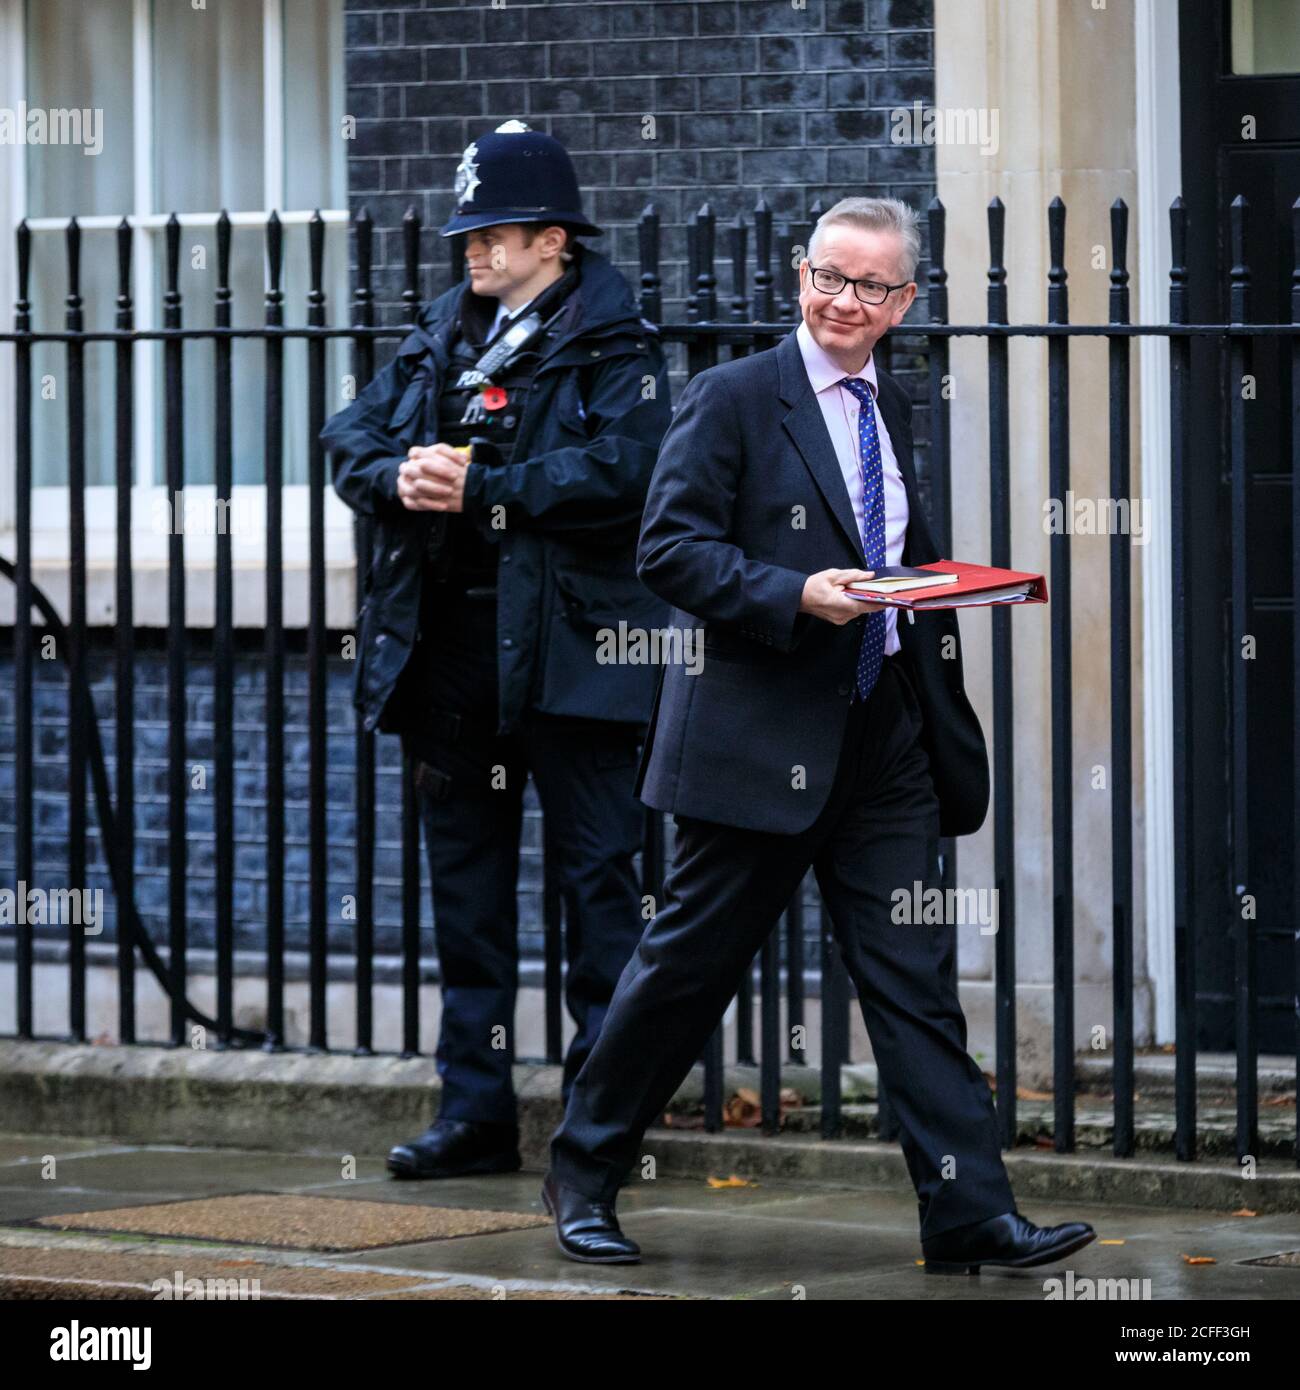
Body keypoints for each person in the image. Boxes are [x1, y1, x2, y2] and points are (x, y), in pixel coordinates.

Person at [541, 196, 1097, 1276]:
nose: (846, 302)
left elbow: (887, 551)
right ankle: (584, 1169)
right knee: (683, 975)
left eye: (873, 287)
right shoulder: (735, 397)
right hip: (756, 741)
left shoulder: (892, 405)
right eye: (829, 278)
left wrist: (938, 589)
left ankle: (968, 1212)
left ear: (905, 302)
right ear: (800, 277)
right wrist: (795, 591)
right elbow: (668, 550)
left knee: (912, 981)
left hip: (878, 732)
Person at [320, 121, 671, 1180]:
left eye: (496, 233)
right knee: (467, 900)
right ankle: (474, 1115)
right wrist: (400, 480)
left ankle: (596, 1134)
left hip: (577, 653)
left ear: (555, 238)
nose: (474, 251)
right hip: (454, 651)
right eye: (467, 233)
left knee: (599, 894)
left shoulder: (618, 342)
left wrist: (492, 487)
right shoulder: (443, 333)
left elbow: (631, 472)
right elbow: (350, 437)